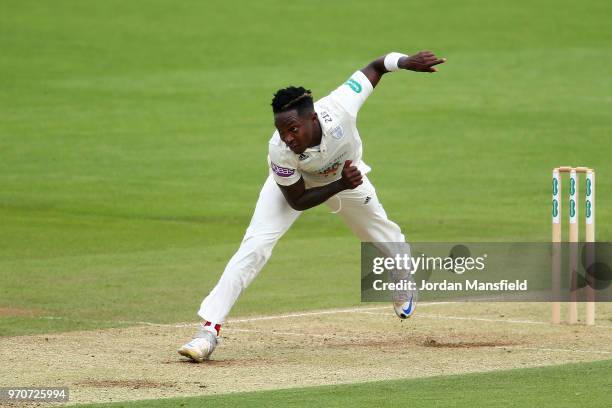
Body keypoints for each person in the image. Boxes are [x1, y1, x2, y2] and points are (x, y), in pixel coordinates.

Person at [178, 51, 446, 362]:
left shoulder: (341, 106)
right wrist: (340, 184)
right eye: (282, 131)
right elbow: (298, 200)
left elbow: (375, 66)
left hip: (348, 176)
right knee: (255, 246)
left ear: (313, 117)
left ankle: (402, 275)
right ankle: (208, 332)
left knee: (383, 236)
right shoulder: (279, 151)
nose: (288, 138)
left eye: (294, 129)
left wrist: (405, 62)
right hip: (303, 185)